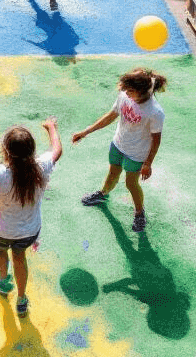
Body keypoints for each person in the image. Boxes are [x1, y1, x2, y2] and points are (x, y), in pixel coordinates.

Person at [0, 117, 62, 318]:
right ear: (32, 151)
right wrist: (51, 127)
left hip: (1, 230)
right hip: (29, 231)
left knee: (0, 252)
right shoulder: (41, 167)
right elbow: (57, 150)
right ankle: (22, 299)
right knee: (19, 258)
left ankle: (2, 281)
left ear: (6, 151)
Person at [71, 68, 167, 233]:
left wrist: (148, 163)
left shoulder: (154, 112)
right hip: (118, 144)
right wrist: (86, 132)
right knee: (112, 173)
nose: (126, 93)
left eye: (130, 91)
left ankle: (139, 213)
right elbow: (111, 115)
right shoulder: (124, 96)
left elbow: (156, 140)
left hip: (137, 154)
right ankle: (103, 194)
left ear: (141, 91)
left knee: (131, 183)